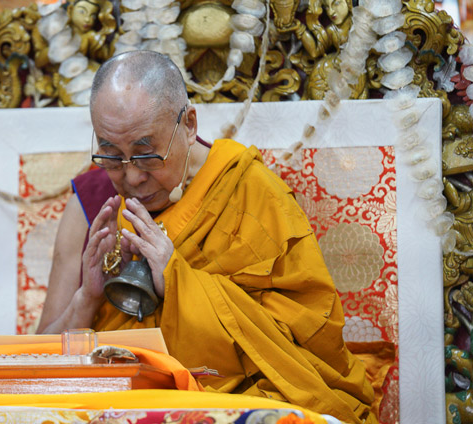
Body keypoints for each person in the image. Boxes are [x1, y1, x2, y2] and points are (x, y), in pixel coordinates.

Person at [36, 50, 375, 423]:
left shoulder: (249, 191)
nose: (131, 178)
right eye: (111, 154)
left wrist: (176, 280)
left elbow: (306, 345)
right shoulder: (93, 202)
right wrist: (87, 297)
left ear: (189, 124)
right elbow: (43, 357)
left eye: (147, 154)